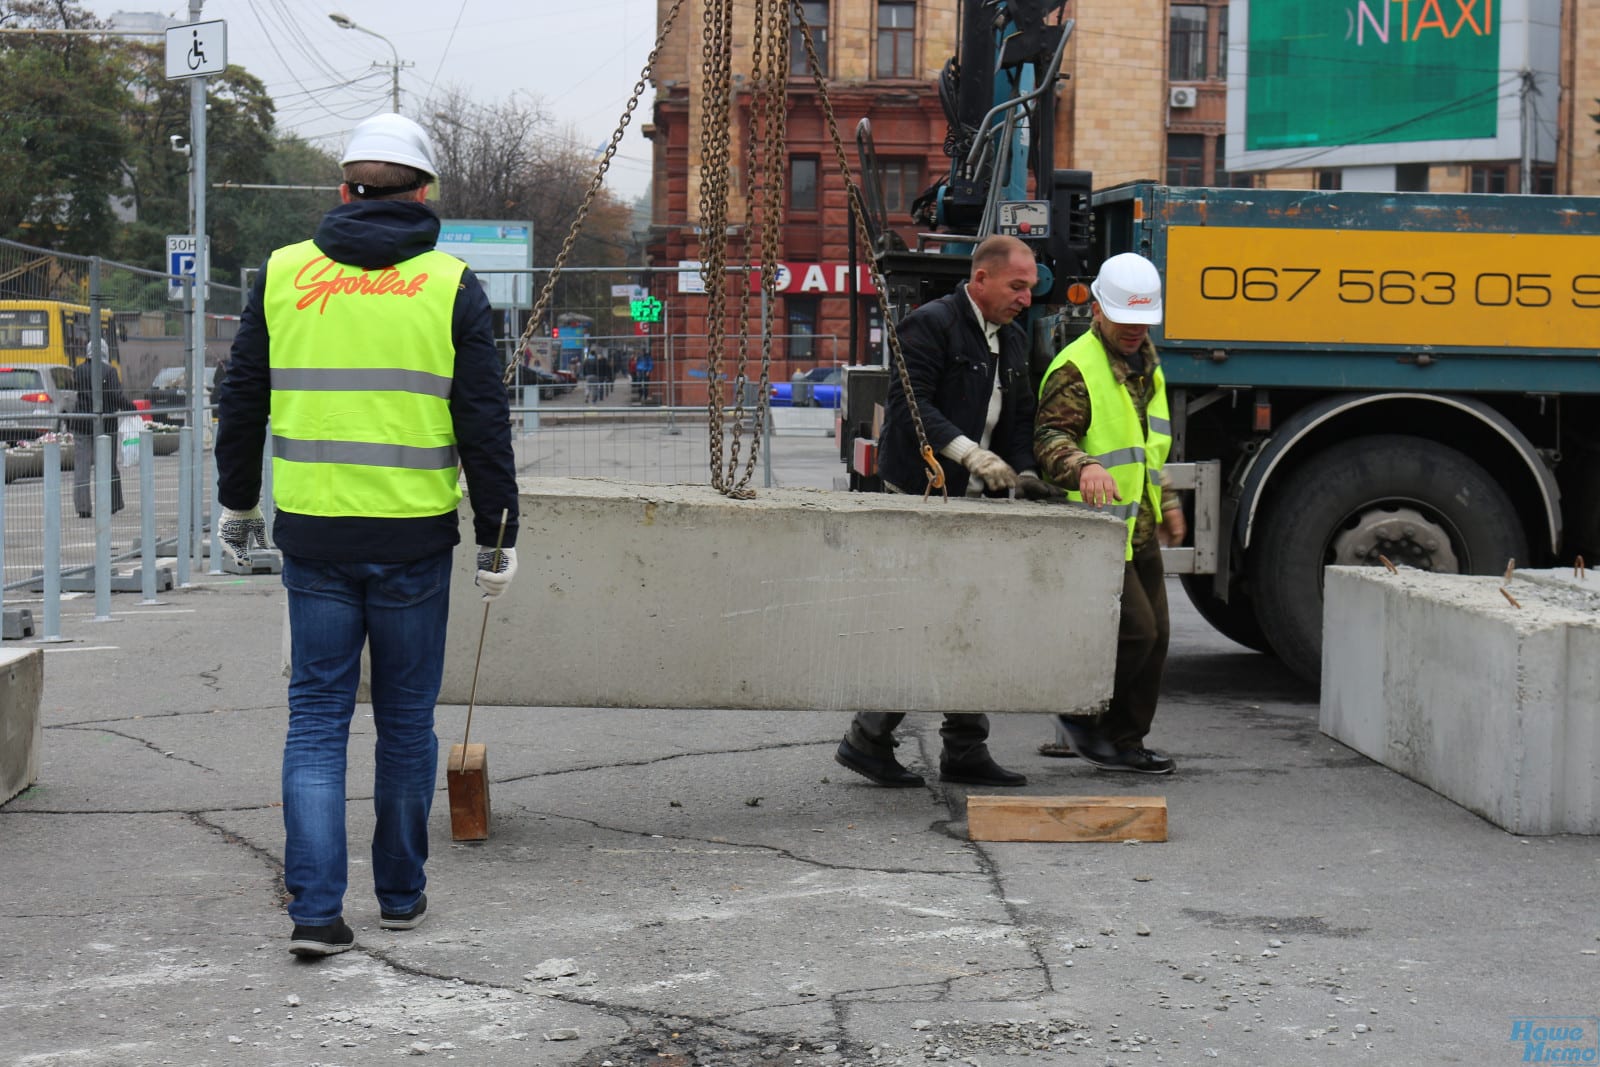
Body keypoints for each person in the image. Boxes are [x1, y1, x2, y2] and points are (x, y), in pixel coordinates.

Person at [213, 113, 522, 958]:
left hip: (314, 537)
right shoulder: (449, 283)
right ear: (425, 195)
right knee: (405, 721)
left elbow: (241, 402)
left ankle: (315, 912)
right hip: (416, 541)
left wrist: (238, 504)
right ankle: (400, 894)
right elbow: (483, 424)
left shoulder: (283, 275)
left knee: (315, 720)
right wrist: (500, 532)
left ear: (342, 188)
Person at [832, 234, 1059, 791]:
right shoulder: (930, 325)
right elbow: (913, 405)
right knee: (925, 620)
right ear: (980, 280)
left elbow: (1020, 418)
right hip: (925, 497)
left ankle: (963, 746)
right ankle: (868, 737)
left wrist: (1024, 471)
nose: (1026, 298)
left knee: (973, 623)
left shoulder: (1011, 338)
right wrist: (969, 453)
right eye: (1017, 286)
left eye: (1030, 288)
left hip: (974, 503)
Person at [1033, 252, 1187, 775]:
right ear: (1097, 308)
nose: (1134, 329)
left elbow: (1147, 445)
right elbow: (1050, 437)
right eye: (1125, 318)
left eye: (1143, 319)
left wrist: (1165, 499)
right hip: (1094, 529)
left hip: (1135, 523)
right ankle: (1079, 718)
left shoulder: (1147, 362)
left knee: (1160, 635)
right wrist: (1082, 465)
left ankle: (1125, 742)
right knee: (1136, 632)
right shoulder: (1077, 367)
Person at [69, 338, 128, 518]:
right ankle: (112, 502)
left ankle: (83, 507)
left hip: (81, 422)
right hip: (105, 423)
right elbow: (115, 396)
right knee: (108, 463)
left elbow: (74, 394)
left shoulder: (78, 371)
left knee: (82, 467)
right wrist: (131, 407)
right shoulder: (109, 371)